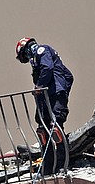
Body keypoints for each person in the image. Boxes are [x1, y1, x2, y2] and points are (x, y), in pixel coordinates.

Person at [15, 37, 74, 174]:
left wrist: (56, 91)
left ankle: (61, 166)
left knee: (56, 129)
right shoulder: (38, 59)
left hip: (53, 96)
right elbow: (69, 76)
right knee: (43, 131)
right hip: (45, 98)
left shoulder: (43, 51)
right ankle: (48, 167)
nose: (27, 58)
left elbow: (48, 68)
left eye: (25, 55)